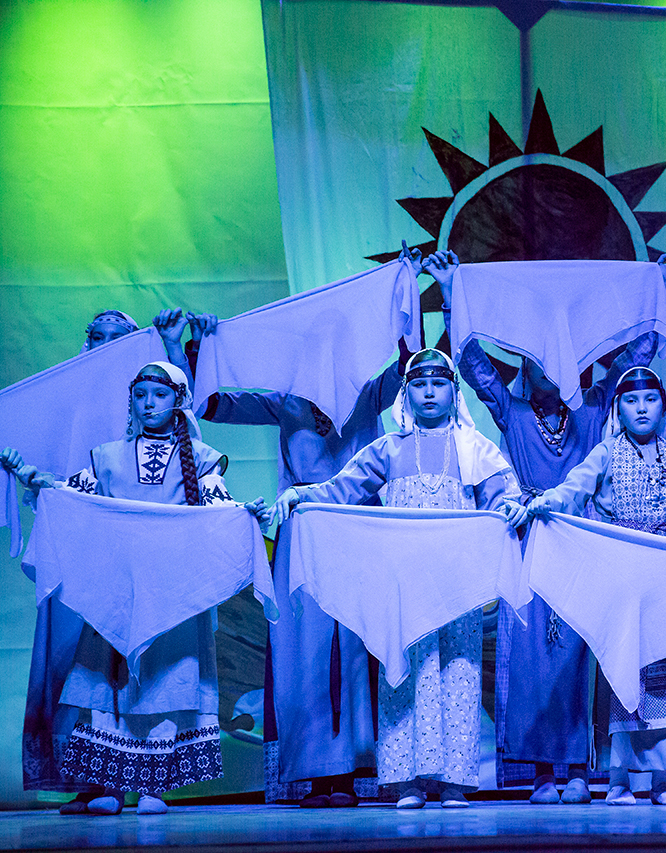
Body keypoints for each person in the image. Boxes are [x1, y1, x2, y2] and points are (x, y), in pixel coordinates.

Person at [419, 248, 666, 804]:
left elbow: (635, 359)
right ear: (525, 371)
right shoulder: (511, 413)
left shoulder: (592, 410)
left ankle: (577, 769)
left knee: (577, 654)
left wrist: (659, 296)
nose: (547, 370)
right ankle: (540, 774)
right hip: (528, 537)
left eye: (558, 361)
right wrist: (452, 294)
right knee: (528, 655)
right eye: (535, 361)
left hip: (578, 539)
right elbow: (474, 365)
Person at [2, 361, 267, 816]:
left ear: (178, 401)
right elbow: (70, 497)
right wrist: (30, 476)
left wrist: (247, 514)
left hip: (173, 594)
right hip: (117, 589)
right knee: (108, 686)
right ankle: (110, 785)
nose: (148, 404)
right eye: (140, 395)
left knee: (166, 683)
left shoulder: (202, 459)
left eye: (159, 395)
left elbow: (220, 508)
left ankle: (153, 786)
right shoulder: (107, 456)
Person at [265, 348, 523, 809]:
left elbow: (502, 494)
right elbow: (343, 488)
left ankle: (453, 783)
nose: (429, 393)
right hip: (403, 585)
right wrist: (302, 495)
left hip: (457, 582)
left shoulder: (475, 447)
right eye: (419, 385)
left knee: (457, 672)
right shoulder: (389, 448)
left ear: (453, 392)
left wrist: (509, 506)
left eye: (438, 384)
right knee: (404, 673)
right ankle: (408, 782)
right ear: (407, 394)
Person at [185, 311, 409, 808]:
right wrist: (201, 347)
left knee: (354, 648)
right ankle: (314, 773)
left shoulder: (369, 391)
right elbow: (215, 405)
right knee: (303, 653)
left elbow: (405, 368)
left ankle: (350, 773)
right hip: (303, 527)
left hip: (357, 526)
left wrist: (400, 309)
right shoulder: (284, 399)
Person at [512, 367, 666, 806]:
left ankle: (663, 783)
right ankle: (619, 781)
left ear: (664, 407)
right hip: (623, 581)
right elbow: (574, 489)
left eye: (650, 399)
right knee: (625, 676)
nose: (641, 408)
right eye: (631, 401)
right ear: (618, 411)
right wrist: (548, 501)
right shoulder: (606, 453)